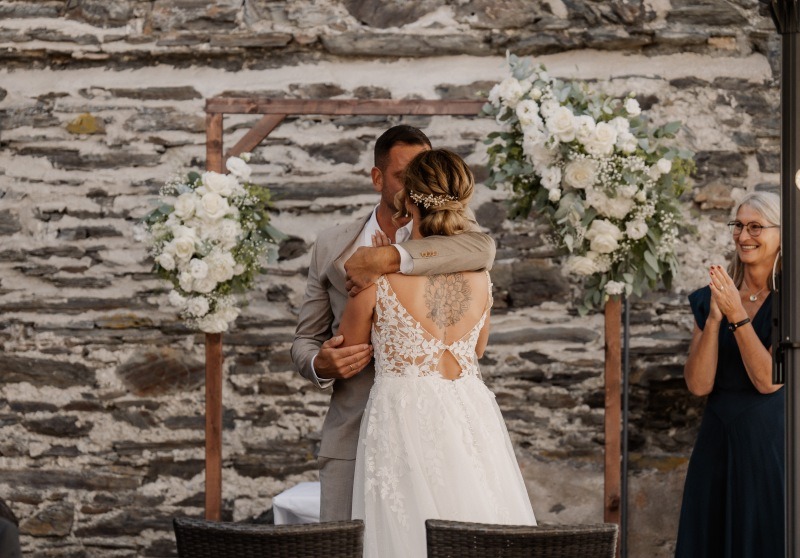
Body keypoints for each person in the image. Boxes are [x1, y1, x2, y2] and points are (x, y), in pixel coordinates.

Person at [291, 126, 495, 522]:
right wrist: (319, 364)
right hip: (353, 437)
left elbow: (484, 250)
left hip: (440, 437)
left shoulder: (462, 240)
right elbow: (305, 338)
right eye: (404, 175)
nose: (414, 185)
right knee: (350, 546)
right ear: (377, 177)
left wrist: (387, 259)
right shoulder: (331, 244)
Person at [338, 149, 536, 558]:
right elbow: (476, 349)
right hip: (469, 411)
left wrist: (375, 274)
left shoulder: (378, 282)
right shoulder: (481, 278)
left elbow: (350, 352)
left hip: (403, 415)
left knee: (405, 531)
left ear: (409, 200)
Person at [675, 191, 783, 557]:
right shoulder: (712, 298)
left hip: (768, 444)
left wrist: (736, 315)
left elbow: (768, 380)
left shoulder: (793, 300)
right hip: (716, 440)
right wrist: (714, 318)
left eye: (756, 227)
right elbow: (698, 384)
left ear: (782, 234)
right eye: (738, 225)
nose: (743, 235)